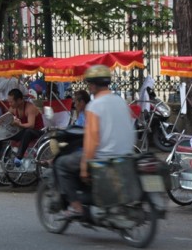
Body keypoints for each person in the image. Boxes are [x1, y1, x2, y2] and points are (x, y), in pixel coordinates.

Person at [56, 65, 135, 219]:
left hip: (103, 156)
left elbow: (92, 140)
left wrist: (85, 166)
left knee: (62, 164)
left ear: (92, 85)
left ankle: (76, 206)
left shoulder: (94, 106)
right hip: (126, 154)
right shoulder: (121, 102)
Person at [0, 88, 44, 167]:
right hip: (21, 130)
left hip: (36, 131)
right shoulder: (13, 108)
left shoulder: (30, 108)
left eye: (11, 102)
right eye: (9, 102)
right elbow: (6, 118)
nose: (9, 104)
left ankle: (19, 157)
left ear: (19, 100)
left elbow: (31, 125)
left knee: (28, 131)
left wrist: (19, 125)